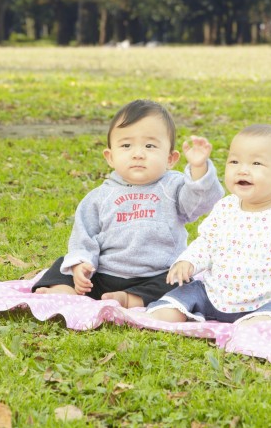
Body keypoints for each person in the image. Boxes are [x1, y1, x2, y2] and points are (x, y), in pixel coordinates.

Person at [32, 99, 225, 308]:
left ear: (170, 159)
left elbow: (201, 202)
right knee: (64, 264)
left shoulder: (174, 187)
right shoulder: (100, 196)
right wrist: (82, 264)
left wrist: (198, 170)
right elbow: (83, 235)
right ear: (110, 157)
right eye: (126, 145)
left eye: (150, 146)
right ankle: (66, 290)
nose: (138, 153)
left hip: (154, 275)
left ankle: (130, 299)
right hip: (104, 273)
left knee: (180, 282)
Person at [146, 124, 271, 324]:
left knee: (267, 320)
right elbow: (207, 243)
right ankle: (175, 310)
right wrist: (188, 261)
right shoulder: (225, 208)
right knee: (170, 307)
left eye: (256, 164)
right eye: (234, 161)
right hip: (217, 291)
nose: (242, 170)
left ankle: (257, 322)